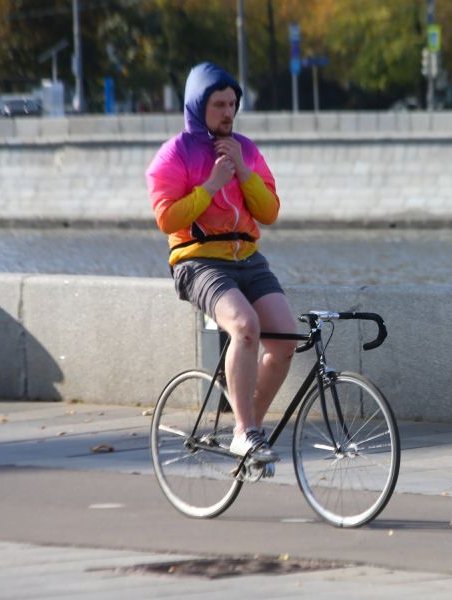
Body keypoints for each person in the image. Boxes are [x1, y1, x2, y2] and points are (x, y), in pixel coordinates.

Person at [146, 62, 296, 464]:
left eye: (232, 104)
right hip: (198, 262)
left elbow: (269, 211)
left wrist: (244, 172)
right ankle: (246, 433)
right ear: (198, 106)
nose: (228, 113)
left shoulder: (246, 149)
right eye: (218, 105)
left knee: (285, 341)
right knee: (245, 327)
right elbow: (167, 218)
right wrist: (209, 186)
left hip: (247, 256)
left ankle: (249, 434)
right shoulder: (175, 153)